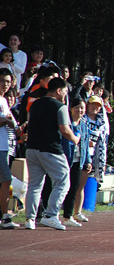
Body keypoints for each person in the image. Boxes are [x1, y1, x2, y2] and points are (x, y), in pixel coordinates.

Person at [19, 77, 78, 230]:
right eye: (65, 91)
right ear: (58, 91)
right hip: (51, 149)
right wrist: (76, 139)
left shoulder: (34, 104)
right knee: (63, 181)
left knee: (34, 185)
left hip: (32, 149)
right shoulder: (60, 106)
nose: (66, 95)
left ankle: (30, 219)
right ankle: (51, 215)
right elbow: (65, 130)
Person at [60, 98, 92, 227]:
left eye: (82, 108)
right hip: (65, 160)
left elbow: (86, 144)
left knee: (74, 188)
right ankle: (50, 214)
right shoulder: (66, 124)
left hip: (79, 161)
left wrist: (88, 161)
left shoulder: (84, 125)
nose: (80, 110)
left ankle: (68, 216)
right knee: (61, 188)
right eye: (77, 107)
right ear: (71, 109)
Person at [0, 69, 18, 228]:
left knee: (5, 181)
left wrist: (9, 122)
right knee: (6, 180)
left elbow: (11, 123)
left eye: (7, 81)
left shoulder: (4, 101)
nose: (5, 84)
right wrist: (6, 121)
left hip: (5, 147)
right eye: (2, 81)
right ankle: (5, 216)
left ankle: (5, 215)